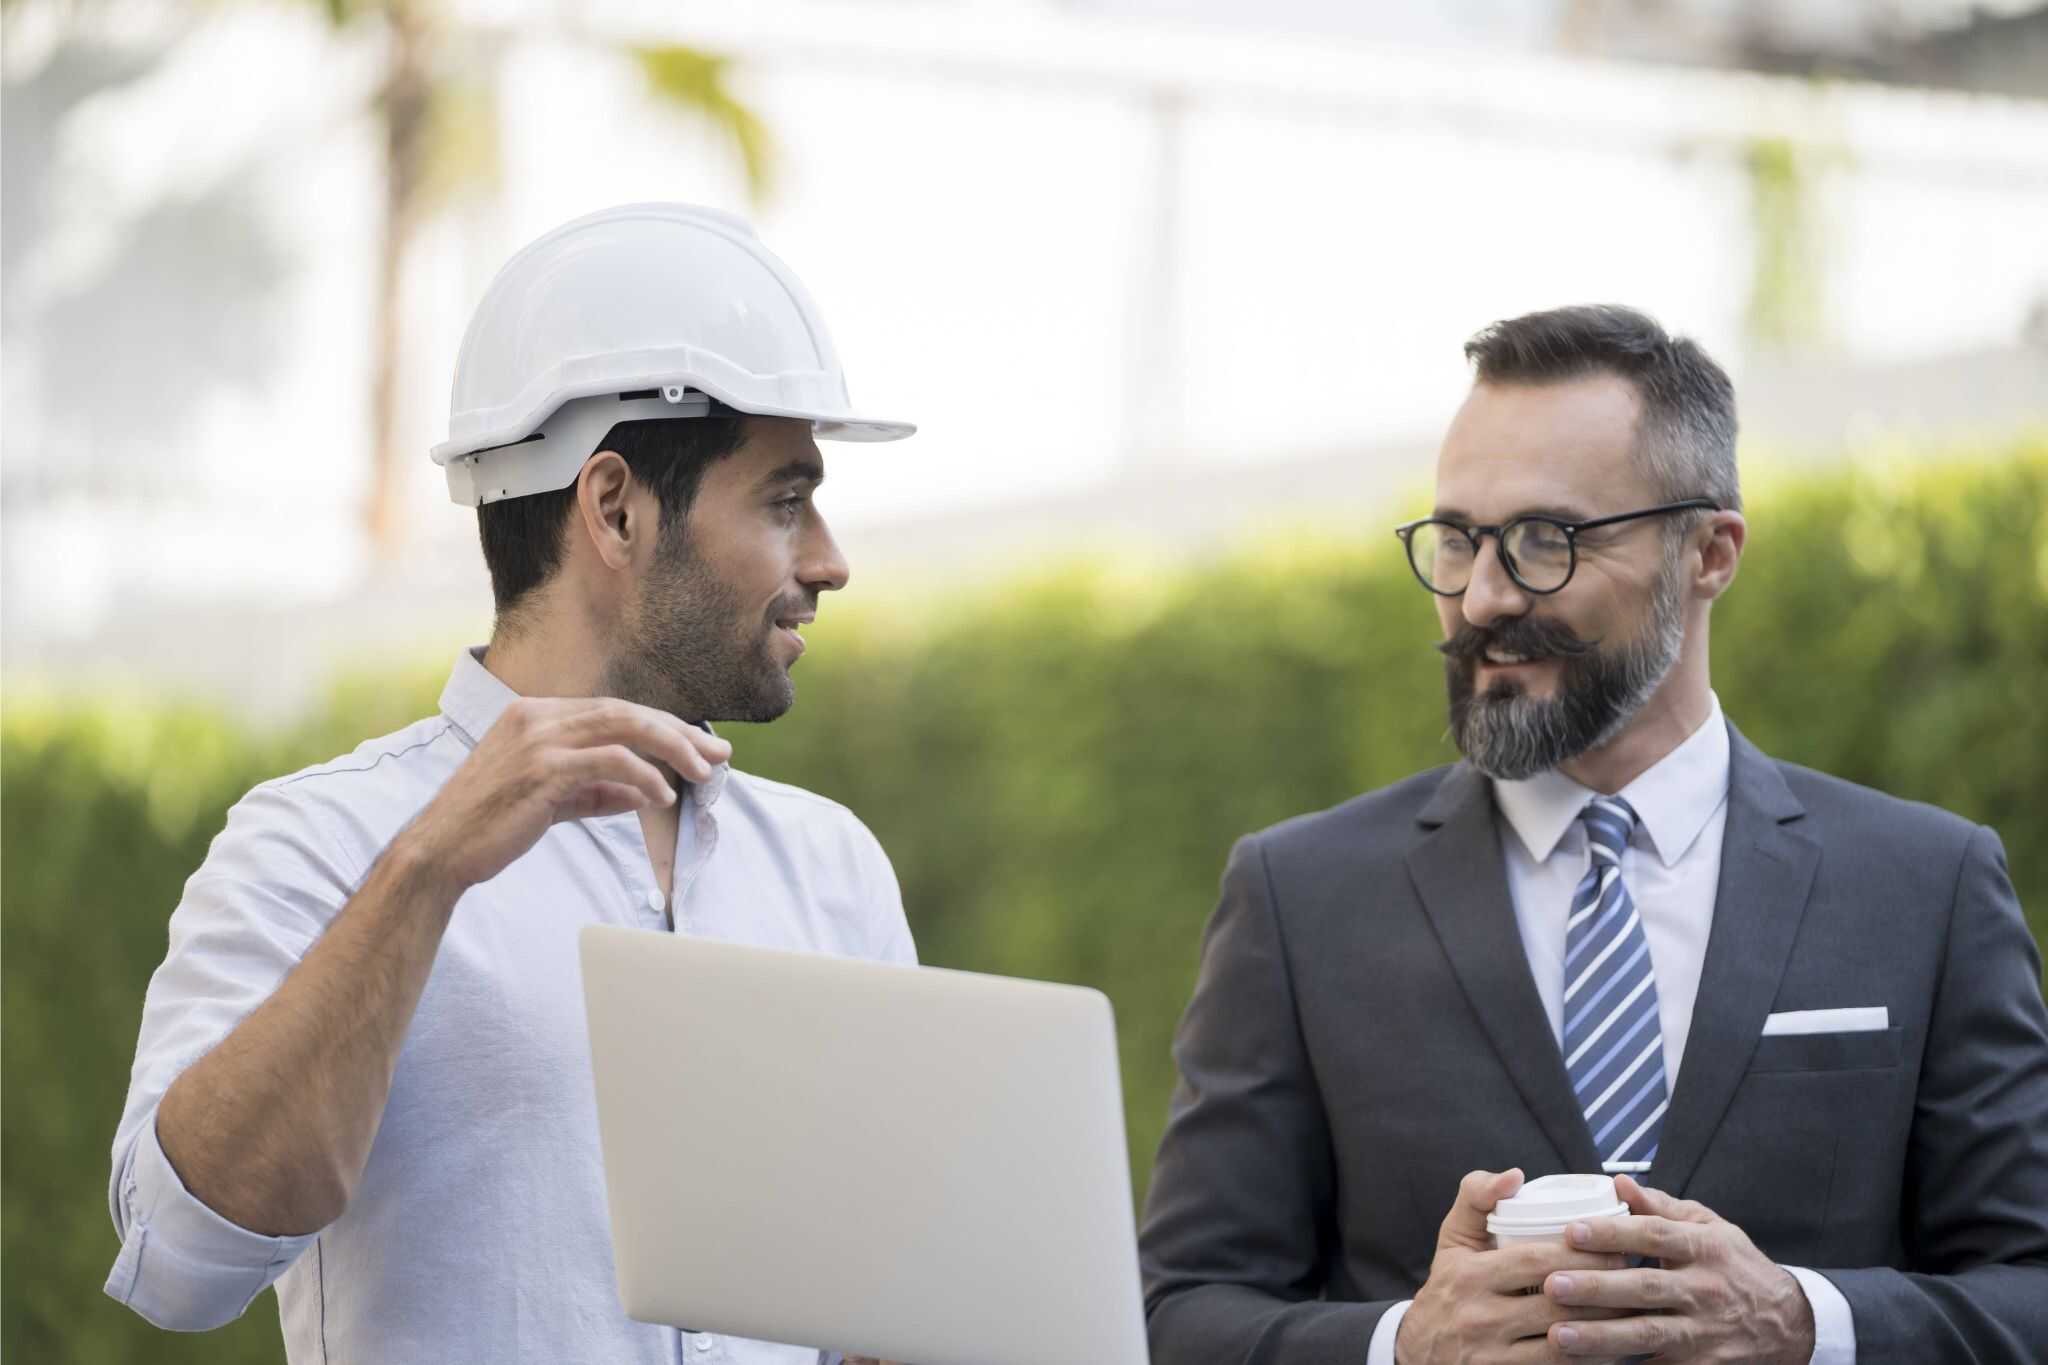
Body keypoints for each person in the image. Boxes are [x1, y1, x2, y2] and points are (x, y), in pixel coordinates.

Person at [1140, 304, 2048, 1364]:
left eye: (1542, 541)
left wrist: (1805, 1324)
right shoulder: (1297, 898)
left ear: (1707, 552)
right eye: (1457, 540)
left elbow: (2028, 1290)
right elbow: (1177, 1311)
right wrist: (1401, 1346)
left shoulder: (1925, 886)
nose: (1478, 598)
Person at [105, 203, 916, 1364]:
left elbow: (880, 1301)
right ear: (615, 507)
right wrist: (428, 870)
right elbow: (179, 1265)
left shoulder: (831, 866)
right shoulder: (320, 841)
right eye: (785, 501)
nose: (829, 560)